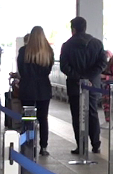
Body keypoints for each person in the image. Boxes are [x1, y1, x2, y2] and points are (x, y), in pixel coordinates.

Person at [58, 16, 105, 153]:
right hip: (92, 85)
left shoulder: (67, 46)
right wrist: (89, 77)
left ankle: (81, 145)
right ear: (85, 27)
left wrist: (79, 78)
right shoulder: (97, 43)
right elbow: (102, 63)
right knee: (92, 112)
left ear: (73, 29)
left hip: (74, 85)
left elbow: (64, 66)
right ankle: (96, 144)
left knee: (77, 115)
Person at [16, 26, 55, 157]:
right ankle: (43, 147)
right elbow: (48, 70)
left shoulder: (23, 51)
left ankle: (28, 144)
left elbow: (21, 70)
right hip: (43, 88)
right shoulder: (48, 52)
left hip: (27, 88)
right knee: (43, 119)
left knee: (28, 118)